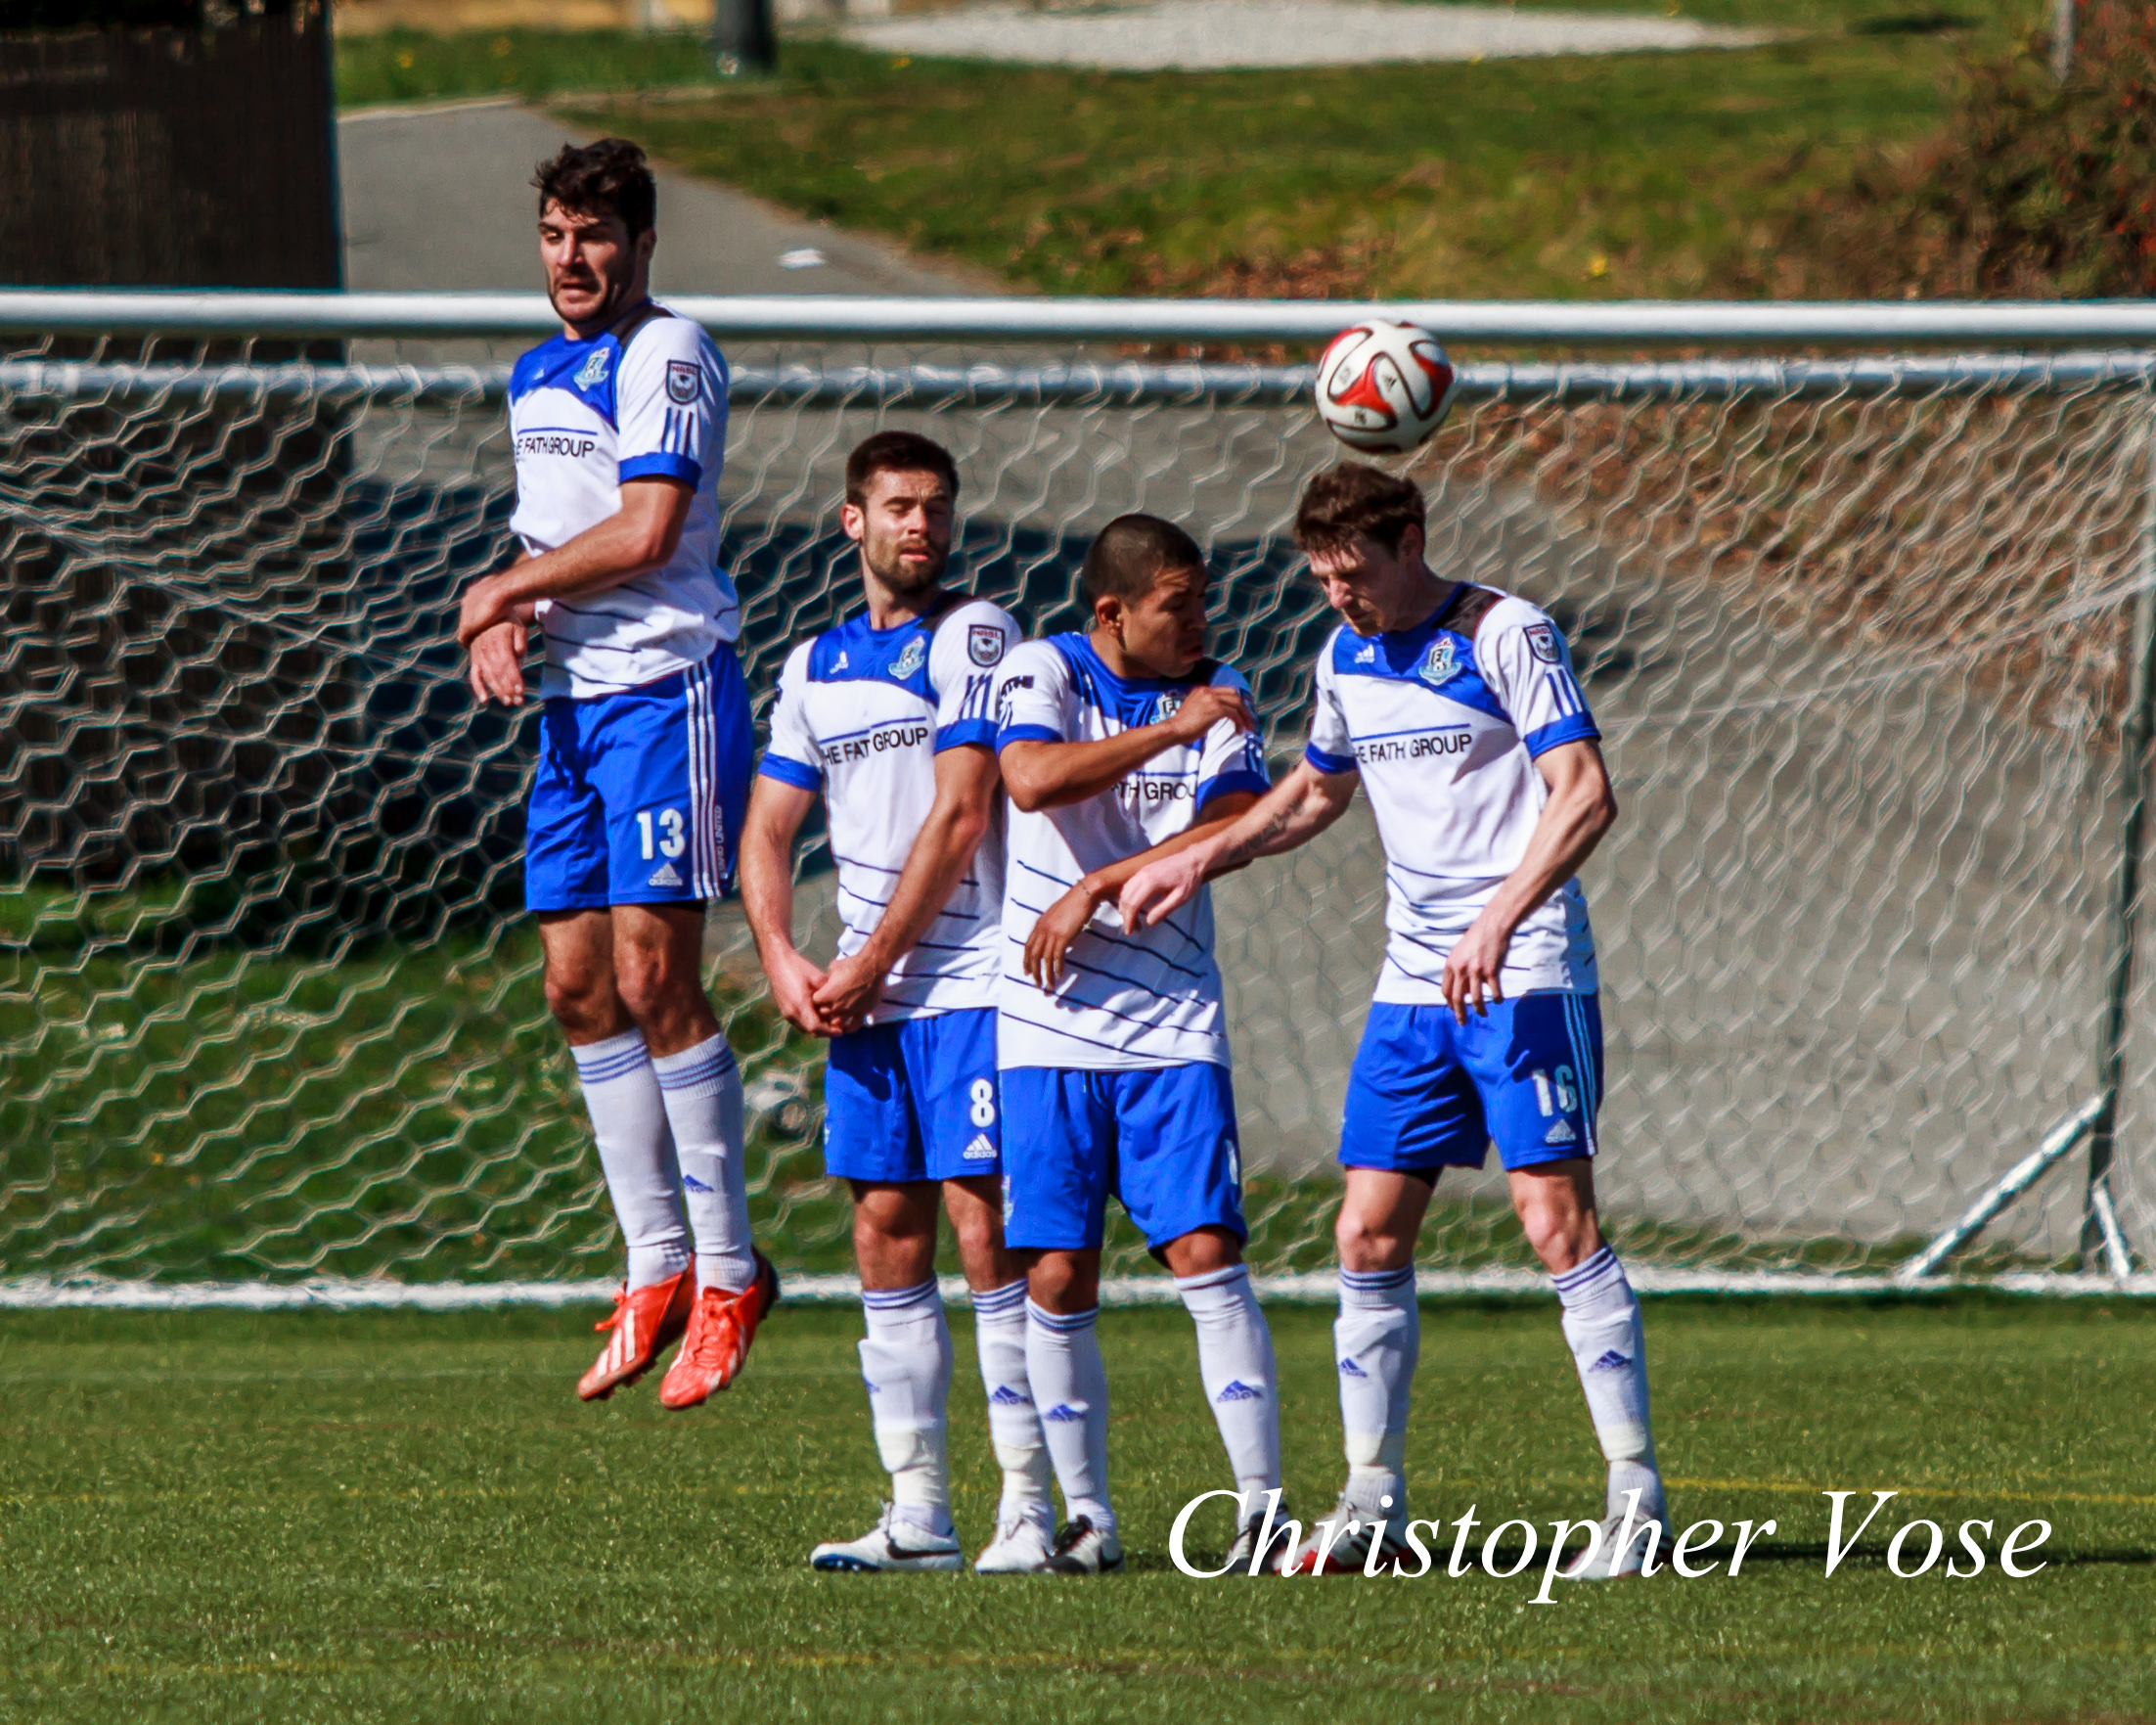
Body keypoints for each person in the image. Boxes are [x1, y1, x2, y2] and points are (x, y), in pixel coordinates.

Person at [1119, 462, 1668, 1579]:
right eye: (1322, 576)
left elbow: (1583, 792)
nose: (1338, 594)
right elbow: (1316, 791)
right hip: (1411, 986)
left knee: (1553, 1221)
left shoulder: (1505, 633)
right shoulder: (1342, 657)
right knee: (1363, 1231)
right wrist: (1200, 856)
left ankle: (1634, 1494)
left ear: (1410, 539)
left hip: (1523, 973)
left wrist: (1497, 920)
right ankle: (1371, 1498)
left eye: (1354, 571)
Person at [458, 137, 775, 1410]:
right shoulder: (539, 369)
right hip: (576, 711)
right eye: (554, 235)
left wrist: (504, 586)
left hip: (669, 692)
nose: (573, 258)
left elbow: (645, 532)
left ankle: (731, 1271)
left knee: (655, 973)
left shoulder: (670, 351)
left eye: (596, 235)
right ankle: (652, 1265)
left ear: (644, 245)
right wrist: (505, 609)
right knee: (578, 985)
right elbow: (553, 536)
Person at [739, 431, 1056, 1574]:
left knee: (984, 1223)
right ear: (851, 522)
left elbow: (962, 812)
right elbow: (769, 827)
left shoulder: (974, 635)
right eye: (896, 507)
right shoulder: (811, 665)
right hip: (862, 994)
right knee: (883, 1231)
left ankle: (1026, 1499)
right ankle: (918, 1506)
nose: (918, 524)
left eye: (934, 506)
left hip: (965, 977)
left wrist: (868, 956)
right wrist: (781, 952)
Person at [993, 514, 1284, 1575]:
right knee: (1058, 1273)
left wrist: (1097, 883)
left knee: (1204, 1253)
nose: (1200, 620)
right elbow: (1028, 781)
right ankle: (1086, 1520)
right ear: (1112, 611)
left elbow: (1240, 823)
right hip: (1043, 1024)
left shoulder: (1221, 685)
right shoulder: (1042, 669)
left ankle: (1262, 1508)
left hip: (1169, 1023)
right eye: (1179, 603)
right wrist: (1168, 729)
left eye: (1202, 598)